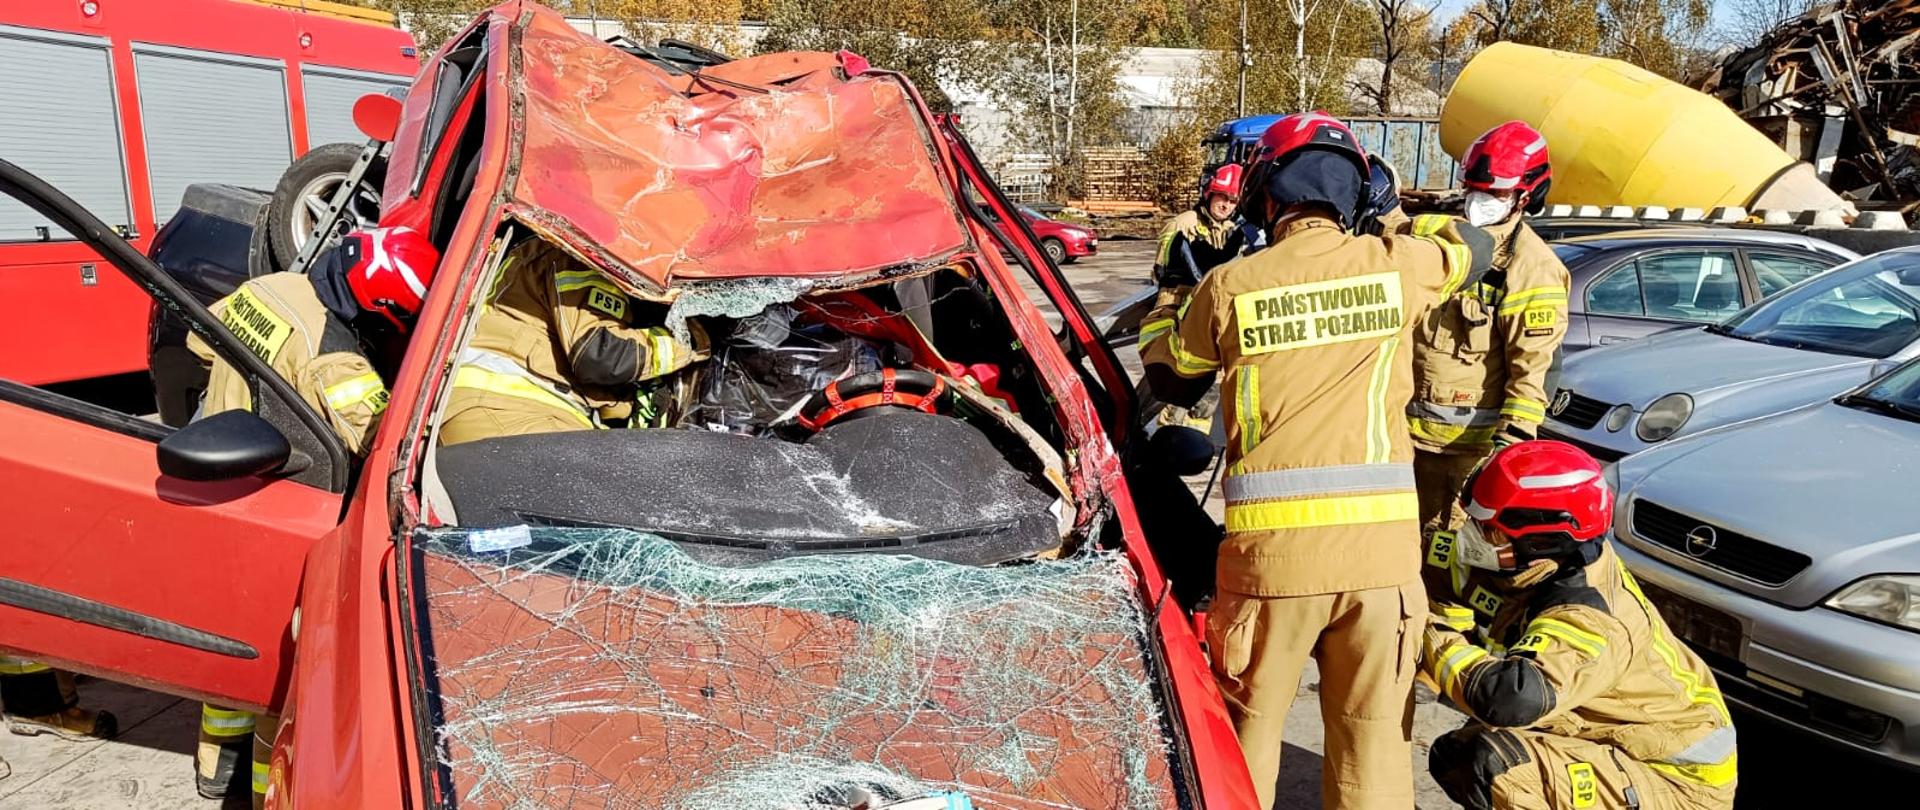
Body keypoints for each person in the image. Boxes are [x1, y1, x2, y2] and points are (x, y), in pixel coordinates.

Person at [1139, 110, 1494, 810]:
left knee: (1242, 751)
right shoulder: (1397, 266)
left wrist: (1170, 299)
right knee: (1373, 753)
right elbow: (1474, 245)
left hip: (1271, 568)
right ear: (1354, 194)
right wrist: (1390, 216)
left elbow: (1172, 378)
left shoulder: (1231, 285)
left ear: (1265, 196)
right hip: (1381, 569)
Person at [187, 225, 441, 803]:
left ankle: (212, 768)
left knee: (227, 637)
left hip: (219, 482)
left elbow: (203, 344)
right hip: (279, 502)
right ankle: (261, 790)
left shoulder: (273, 286)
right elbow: (380, 443)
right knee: (278, 666)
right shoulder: (334, 358)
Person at [1421, 440, 1737, 810]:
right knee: (1454, 755)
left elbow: (1509, 698)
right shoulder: (1535, 567)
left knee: (1496, 764)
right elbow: (1445, 560)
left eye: (1488, 530)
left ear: (1541, 541)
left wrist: (1425, 632)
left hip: (1674, 781)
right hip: (1610, 739)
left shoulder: (1589, 618)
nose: (1473, 537)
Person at [1409, 121, 1571, 537]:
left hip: (1463, 457)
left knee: (1444, 558)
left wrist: (1506, 453)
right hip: (1404, 443)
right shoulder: (1444, 239)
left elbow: (1532, 371)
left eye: (1494, 194)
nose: (1478, 202)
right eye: (1473, 190)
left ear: (1525, 196)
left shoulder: (1531, 268)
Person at [437, 239, 708, 445]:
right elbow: (600, 355)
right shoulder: (580, 254)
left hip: (520, 413)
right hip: (511, 410)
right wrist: (691, 340)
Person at [1155, 163, 1248, 287]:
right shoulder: (1181, 224)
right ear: (1209, 194)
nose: (1226, 206)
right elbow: (1160, 272)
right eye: (1222, 196)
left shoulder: (1234, 230)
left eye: (1233, 201)